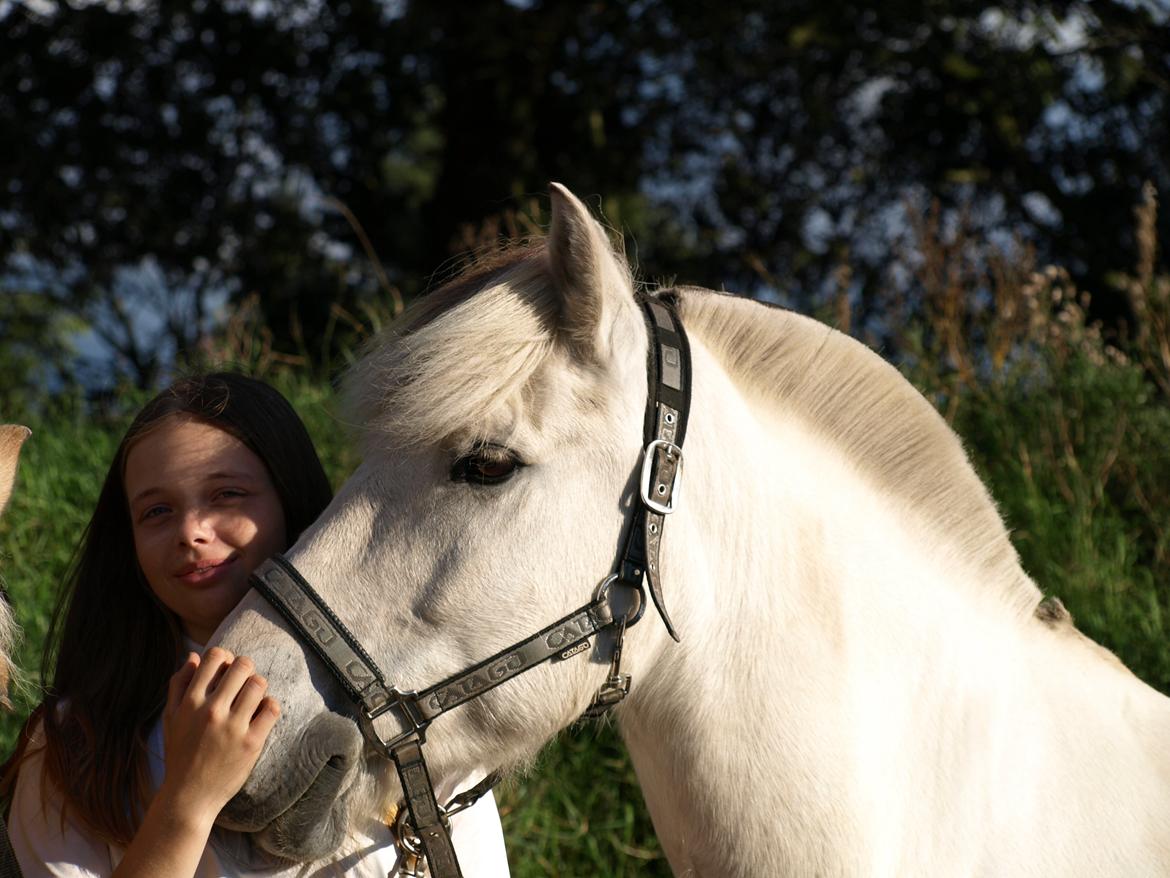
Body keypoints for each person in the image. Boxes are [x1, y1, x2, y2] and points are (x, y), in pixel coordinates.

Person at [2, 373, 510, 877]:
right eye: (156, 511)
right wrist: (188, 800)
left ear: (288, 498)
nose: (191, 531)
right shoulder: (70, 745)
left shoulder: (414, 712)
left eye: (227, 494)